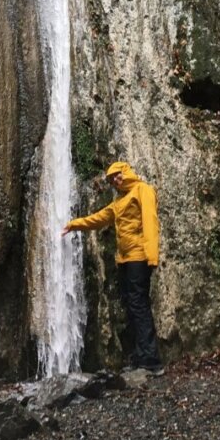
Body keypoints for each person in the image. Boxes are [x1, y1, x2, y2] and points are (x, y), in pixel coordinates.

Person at [62, 161, 164, 375]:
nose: (115, 181)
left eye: (117, 176)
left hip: (139, 257)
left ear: (126, 172)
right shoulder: (119, 202)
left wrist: (152, 256)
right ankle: (140, 354)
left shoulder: (142, 190)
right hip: (125, 260)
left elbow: (150, 222)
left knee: (139, 305)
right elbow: (98, 219)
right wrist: (74, 224)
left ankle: (151, 359)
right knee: (131, 305)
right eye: (111, 179)